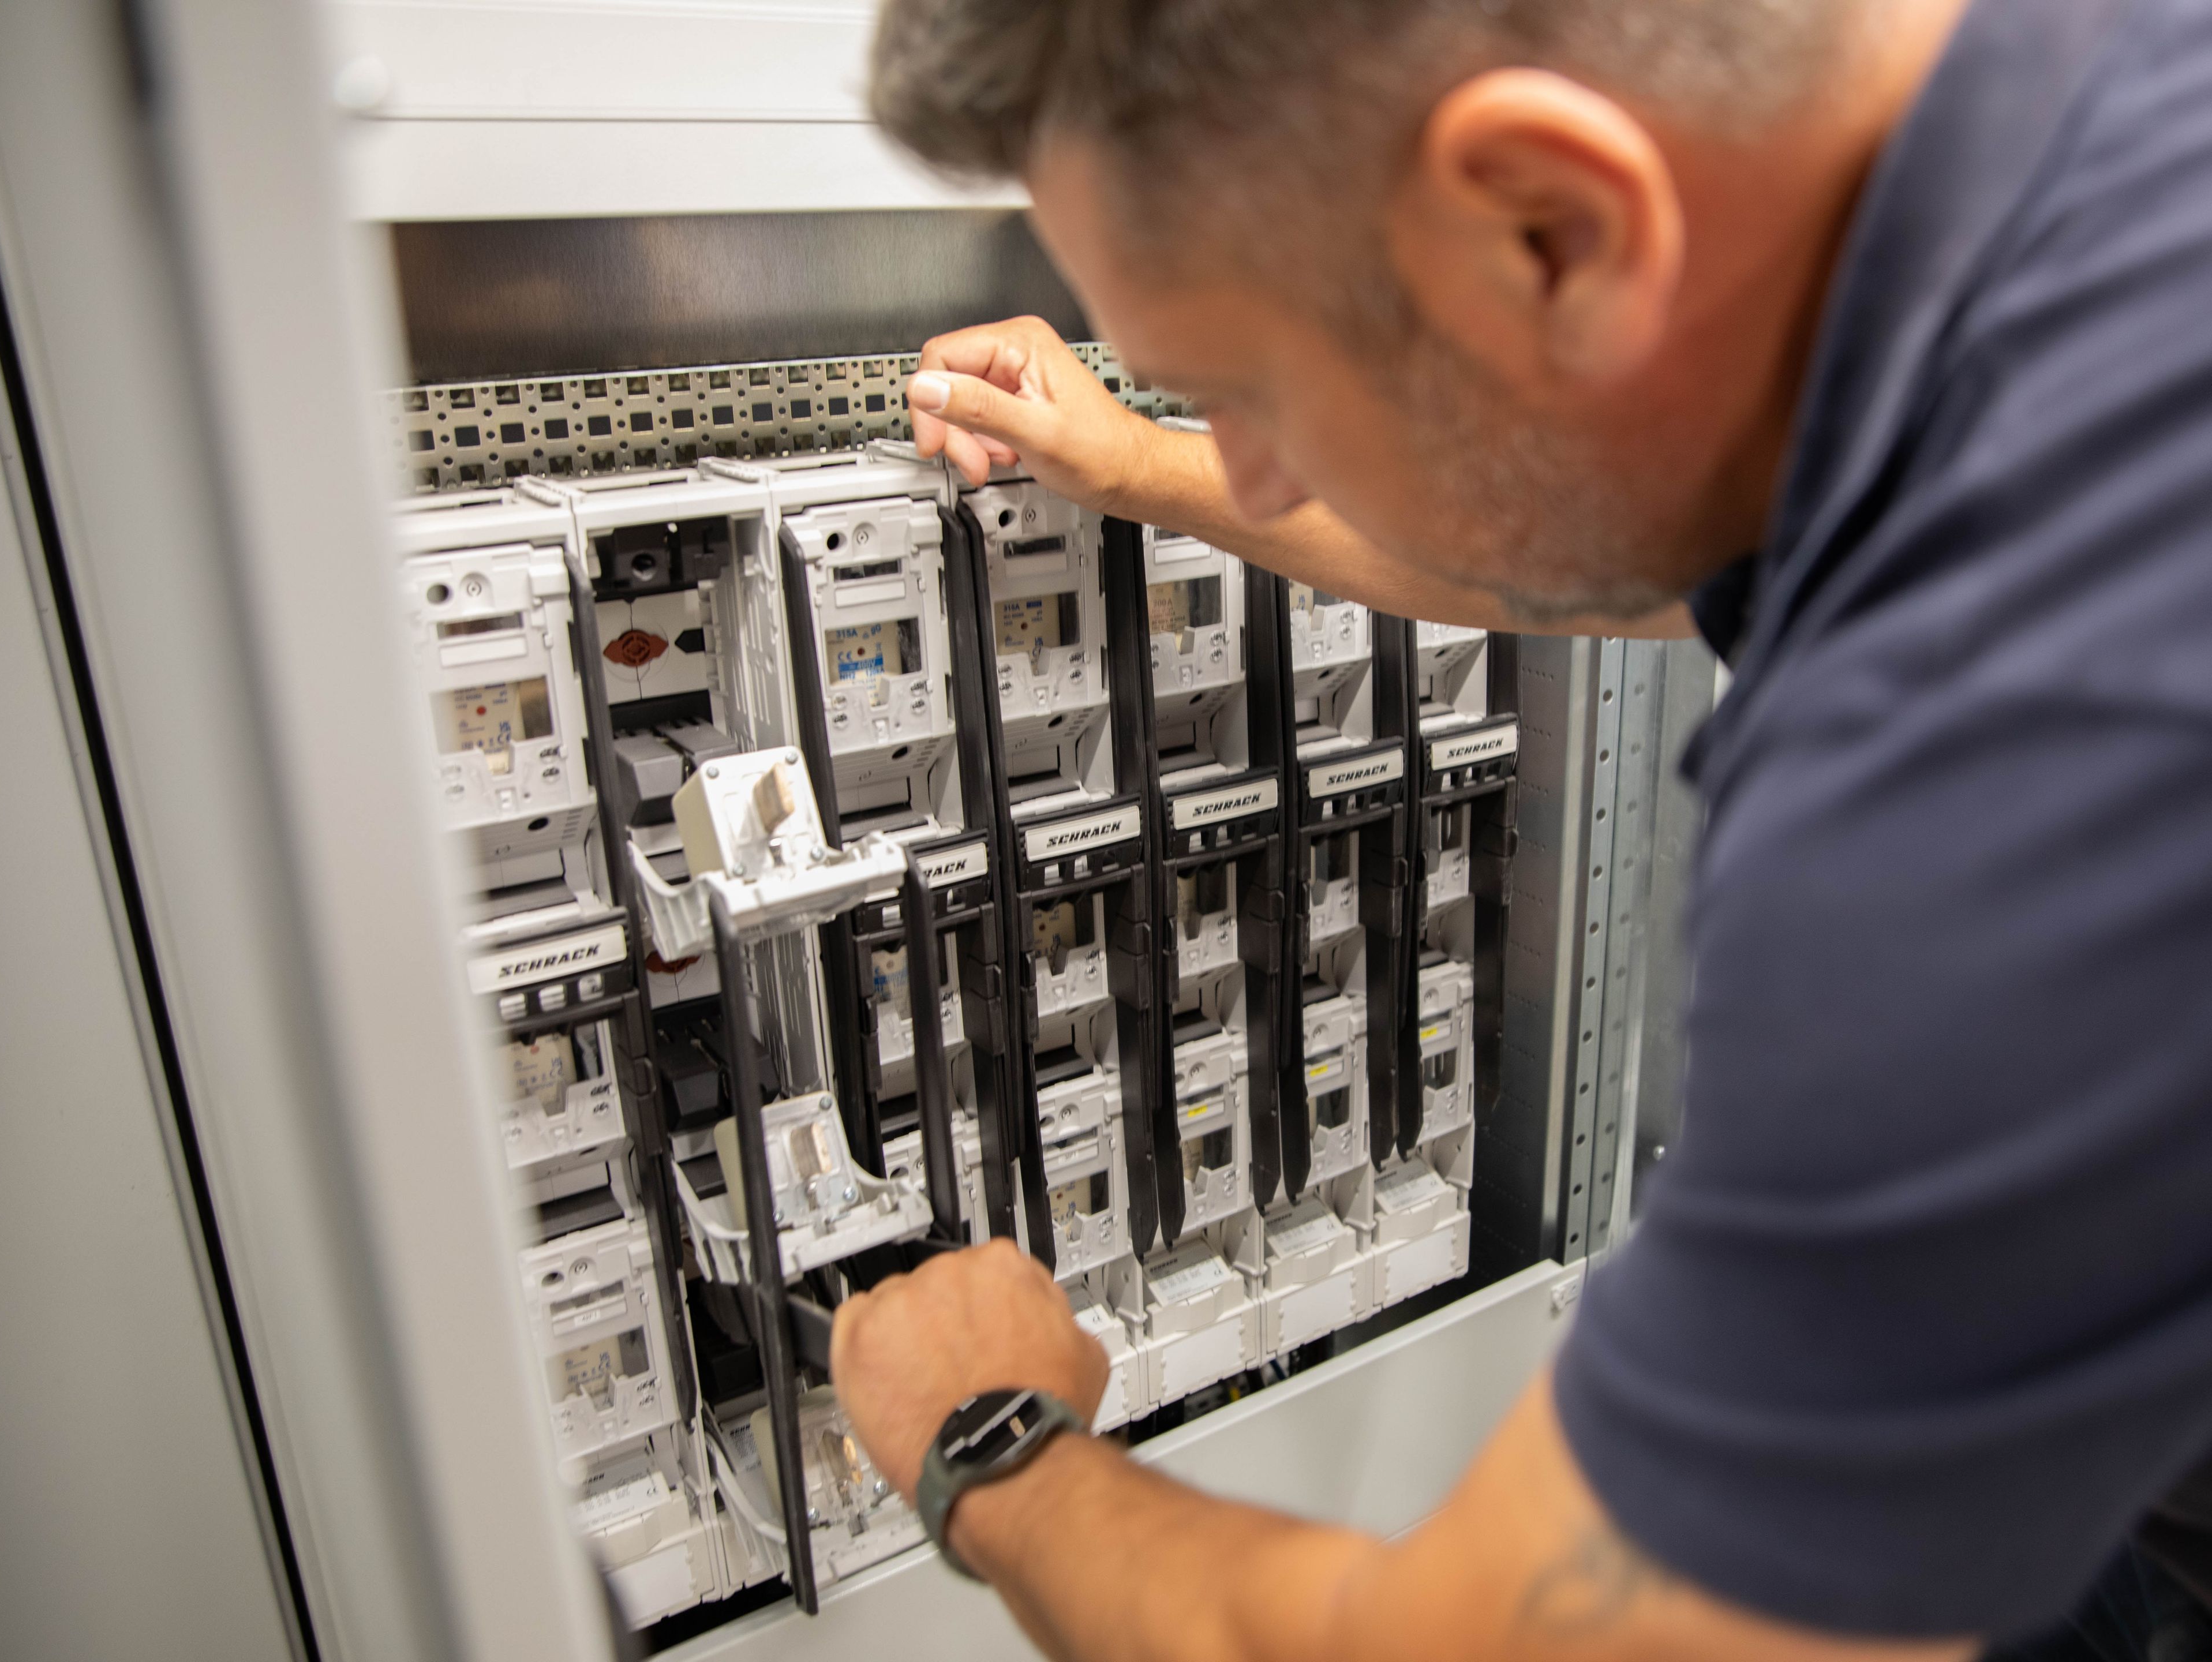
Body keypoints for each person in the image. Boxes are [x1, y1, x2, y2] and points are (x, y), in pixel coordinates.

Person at [825, 1, 2212, 1657]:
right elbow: (1593, 509)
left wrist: (994, 1444)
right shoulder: (2079, 160)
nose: (1260, 475)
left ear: (1550, 226)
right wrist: (1145, 464)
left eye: (1249, 384)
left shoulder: (2028, 738)